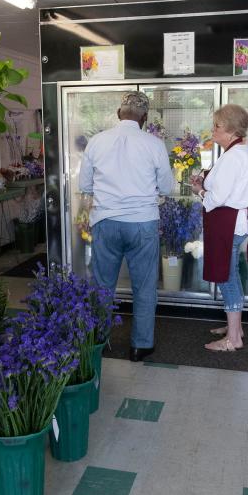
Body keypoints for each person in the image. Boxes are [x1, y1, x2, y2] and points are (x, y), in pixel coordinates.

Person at [78, 91, 174, 362]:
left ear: (119, 114)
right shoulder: (153, 144)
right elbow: (166, 186)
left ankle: (99, 339)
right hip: (142, 223)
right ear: (144, 118)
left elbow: (85, 185)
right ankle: (140, 346)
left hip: (105, 222)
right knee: (144, 287)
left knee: (102, 285)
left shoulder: (96, 142)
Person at [191, 104, 248, 352]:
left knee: (226, 278)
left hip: (228, 224)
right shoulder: (241, 150)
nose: (213, 130)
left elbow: (217, 198)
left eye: (217, 126)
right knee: (232, 275)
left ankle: (233, 340)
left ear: (229, 129)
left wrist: (200, 190)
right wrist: (207, 181)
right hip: (235, 223)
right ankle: (235, 327)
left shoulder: (234, 156)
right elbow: (227, 185)